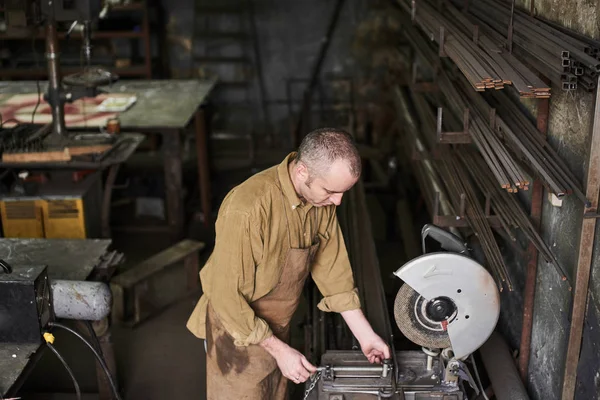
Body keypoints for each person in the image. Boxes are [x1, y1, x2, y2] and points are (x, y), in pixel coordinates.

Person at [186, 127, 391, 400]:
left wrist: (366, 336)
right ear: (302, 171)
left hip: (278, 328)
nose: (338, 201)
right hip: (236, 333)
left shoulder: (321, 203)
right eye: (331, 191)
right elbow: (227, 298)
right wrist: (280, 350)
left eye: (343, 193)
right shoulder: (248, 209)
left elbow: (333, 272)